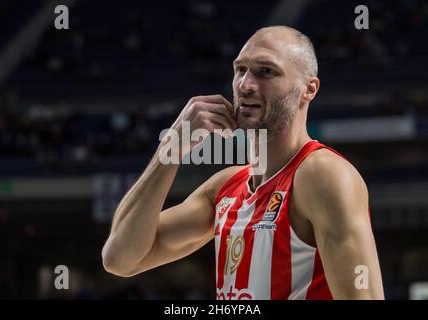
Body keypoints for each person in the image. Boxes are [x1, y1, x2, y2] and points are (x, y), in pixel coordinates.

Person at [101, 25, 385, 300]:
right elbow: (120, 259)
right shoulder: (227, 186)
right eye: (240, 70)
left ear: (308, 89)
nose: (245, 85)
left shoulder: (322, 174)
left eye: (266, 72)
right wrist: (170, 148)